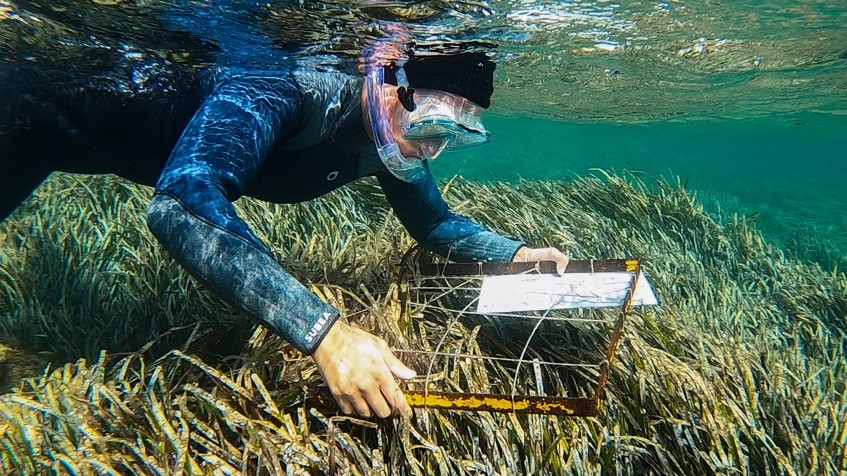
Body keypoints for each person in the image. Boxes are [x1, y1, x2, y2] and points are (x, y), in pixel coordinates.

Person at [0, 40, 568, 419]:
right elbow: (181, 203)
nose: (433, 150)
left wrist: (514, 252)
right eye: (432, 126)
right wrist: (326, 334)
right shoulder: (281, 86)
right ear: (387, 86)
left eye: (455, 139)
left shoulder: (392, 138)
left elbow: (435, 222)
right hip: (30, 110)